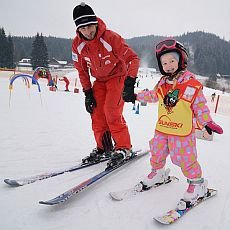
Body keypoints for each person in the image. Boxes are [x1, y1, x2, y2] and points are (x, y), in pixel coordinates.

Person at [125, 39, 223, 208]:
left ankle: (197, 184)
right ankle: (158, 174)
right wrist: (135, 96)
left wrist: (207, 122)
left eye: (172, 60)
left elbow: (200, 106)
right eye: (164, 62)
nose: (168, 65)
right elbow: (153, 96)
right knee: (156, 152)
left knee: (185, 159)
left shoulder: (191, 84)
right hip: (162, 129)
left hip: (182, 131)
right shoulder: (162, 84)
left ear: (181, 60)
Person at [71, 2, 139, 164]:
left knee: (111, 111)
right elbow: (81, 70)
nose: (88, 31)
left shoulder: (110, 38)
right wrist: (88, 94)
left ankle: (124, 147)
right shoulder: (77, 45)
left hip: (118, 77)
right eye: (83, 28)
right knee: (96, 113)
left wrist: (129, 84)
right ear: (78, 29)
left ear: (95, 22)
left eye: (90, 25)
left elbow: (133, 59)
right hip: (100, 81)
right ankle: (104, 147)